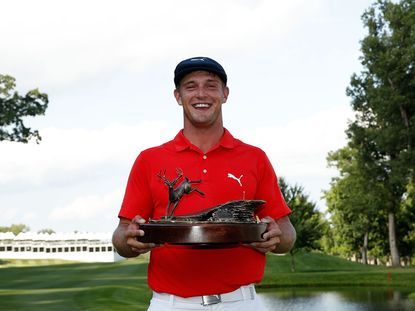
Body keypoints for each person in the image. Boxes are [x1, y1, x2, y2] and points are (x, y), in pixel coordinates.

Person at [112, 56, 296, 311]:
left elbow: (287, 233)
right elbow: (121, 238)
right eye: (191, 86)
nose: (201, 93)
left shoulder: (255, 157)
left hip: (242, 302)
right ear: (178, 96)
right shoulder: (149, 159)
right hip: (172, 304)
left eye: (211, 85)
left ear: (225, 94)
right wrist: (130, 240)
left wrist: (276, 237)